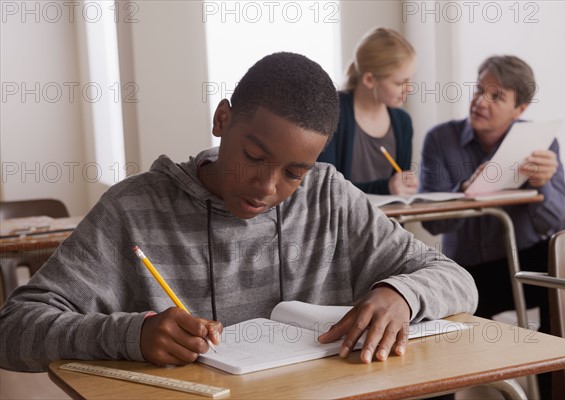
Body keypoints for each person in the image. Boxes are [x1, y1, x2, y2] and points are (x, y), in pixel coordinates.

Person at [0, 52, 477, 373]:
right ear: (222, 120)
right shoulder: (133, 210)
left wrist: (401, 295)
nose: (267, 187)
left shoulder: (328, 197)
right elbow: (14, 330)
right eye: (253, 157)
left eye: (294, 171)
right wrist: (134, 335)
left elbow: (457, 280)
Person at [419, 55, 565, 394]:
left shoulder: (541, 143)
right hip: (467, 273)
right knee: (435, 306)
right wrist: (465, 193)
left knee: (559, 272)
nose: (479, 102)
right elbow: (431, 222)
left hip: (523, 264)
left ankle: (553, 392)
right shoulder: (439, 140)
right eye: (478, 90)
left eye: (496, 96)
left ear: (519, 109)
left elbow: (562, 220)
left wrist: (542, 184)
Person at [318, 27, 418, 195]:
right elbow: (327, 190)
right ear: (369, 80)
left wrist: (403, 187)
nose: (410, 89)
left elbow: (401, 199)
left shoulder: (403, 122)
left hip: (387, 221)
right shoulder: (332, 113)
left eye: (411, 79)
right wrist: (386, 188)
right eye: (400, 82)